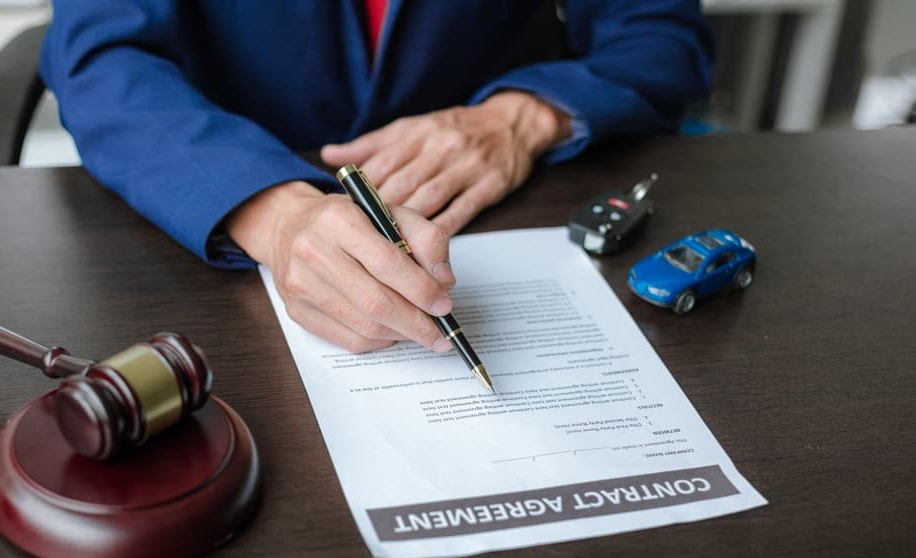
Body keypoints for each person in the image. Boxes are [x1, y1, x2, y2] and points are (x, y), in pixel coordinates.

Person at [40, 1, 712, 354]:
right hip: (213, 237)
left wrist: (525, 117)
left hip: (498, 205)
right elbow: (101, 59)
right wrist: (267, 209)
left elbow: (661, 33)